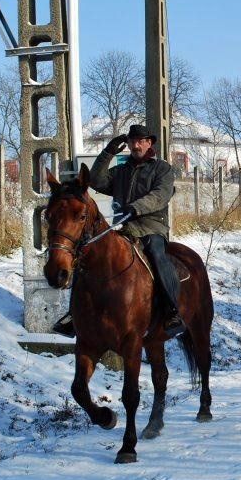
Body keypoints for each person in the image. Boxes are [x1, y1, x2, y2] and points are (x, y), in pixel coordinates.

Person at [51, 124, 185, 338]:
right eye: (132, 141)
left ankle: (171, 311)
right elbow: (96, 180)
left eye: (140, 141)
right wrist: (108, 152)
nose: (136, 145)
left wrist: (136, 207)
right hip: (123, 226)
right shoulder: (122, 170)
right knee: (85, 254)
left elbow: (160, 195)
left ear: (149, 143)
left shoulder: (162, 169)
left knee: (157, 255)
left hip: (151, 226)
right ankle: (73, 315)